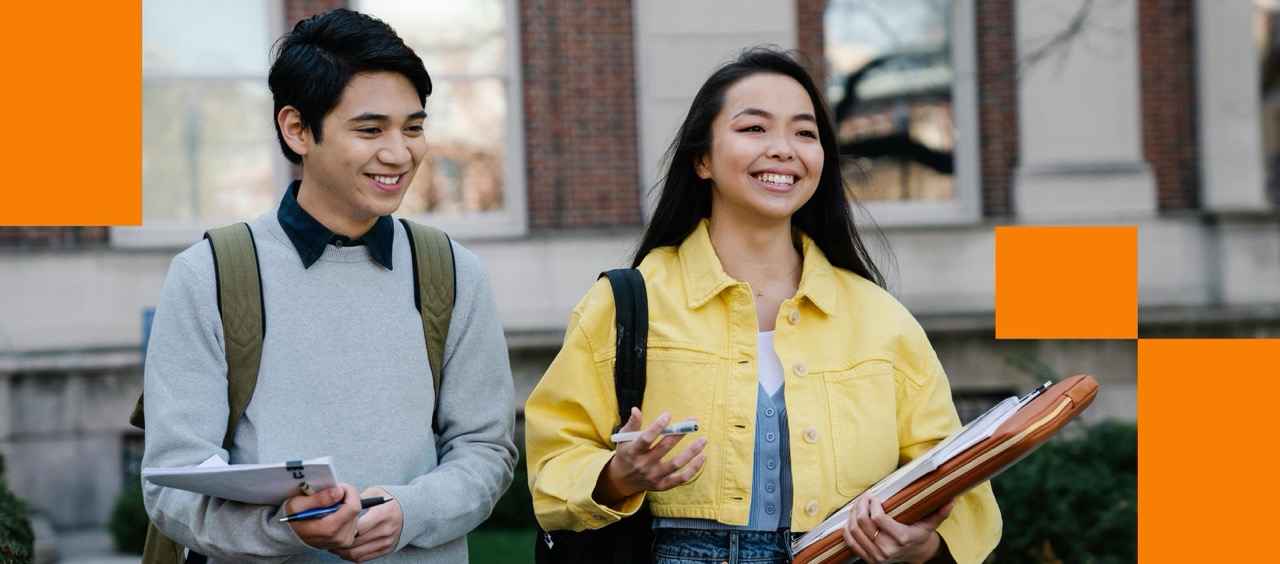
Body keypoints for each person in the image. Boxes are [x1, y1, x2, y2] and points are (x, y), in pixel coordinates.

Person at [525, 48, 1001, 563]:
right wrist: (619, 477)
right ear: (701, 159)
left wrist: (922, 546)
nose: (783, 149)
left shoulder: (881, 318)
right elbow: (553, 463)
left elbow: (963, 486)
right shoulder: (626, 303)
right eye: (754, 129)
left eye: (804, 133)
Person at [142, 9, 516, 563]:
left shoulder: (454, 272)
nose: (399, 153)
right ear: (297, 129)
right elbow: (171, 485)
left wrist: (411, 510)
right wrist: (287, 529)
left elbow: (486, 451)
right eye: (370, 129)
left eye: (412, 127)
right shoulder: (209, 274)